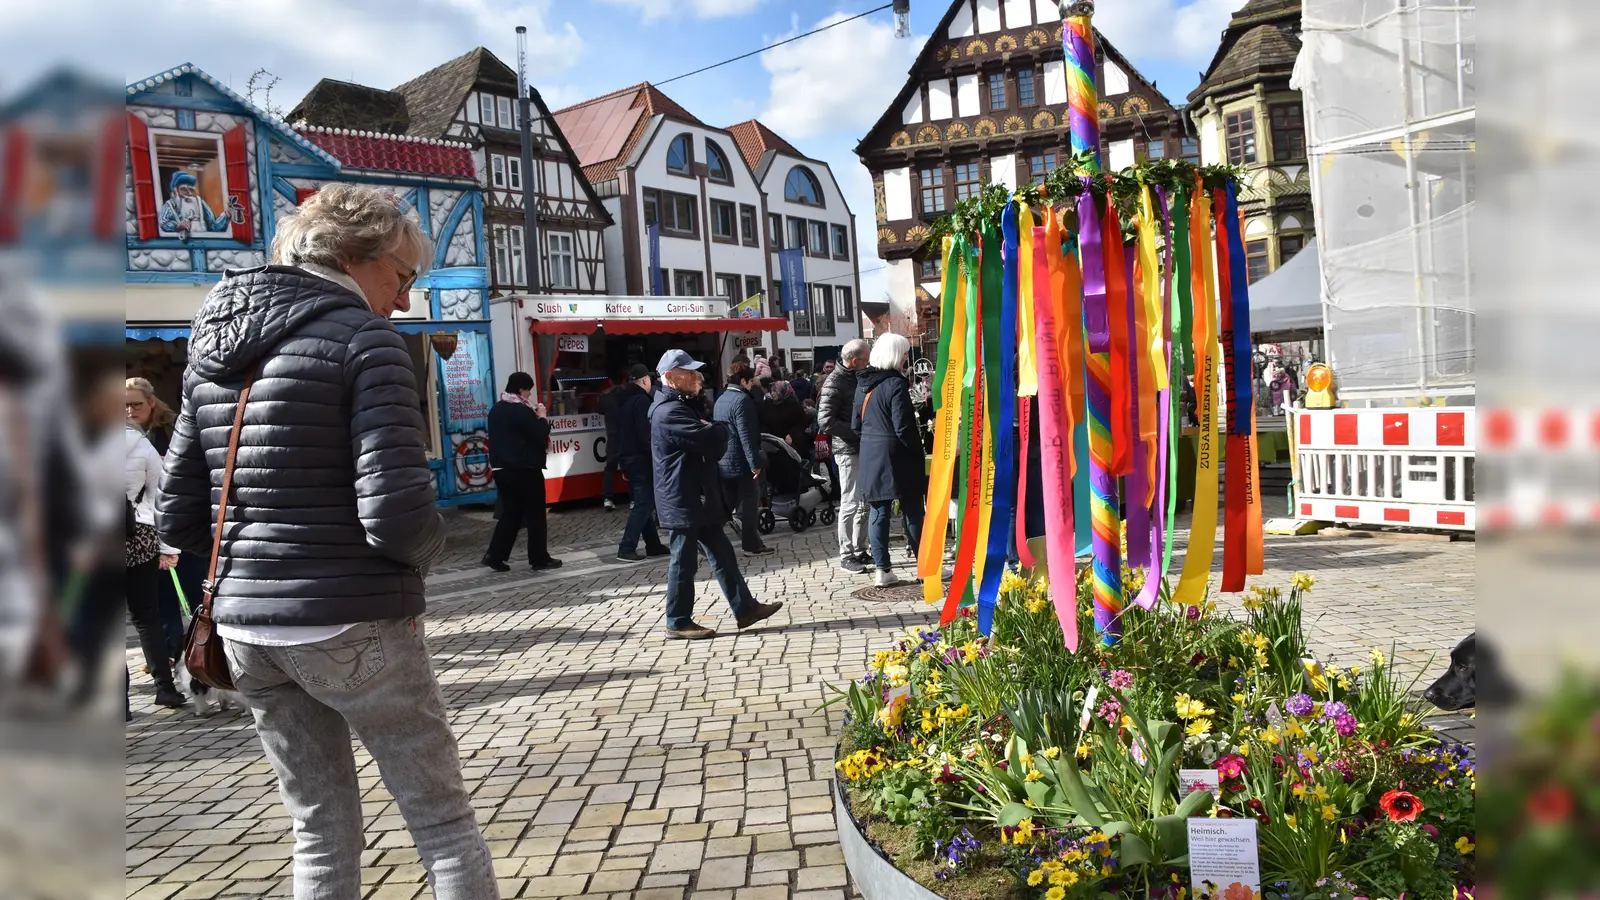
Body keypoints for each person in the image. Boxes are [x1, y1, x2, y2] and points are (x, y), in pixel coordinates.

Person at [155, 183, 499, 899]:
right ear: (355, 256)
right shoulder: (366, 339)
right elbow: (399, 518)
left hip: (245, 630)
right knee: (440, 822)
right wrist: (424, 557)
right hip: (352, 619)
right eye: (402, 277)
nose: (404, 299)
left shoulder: (211, 350)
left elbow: (177, 516)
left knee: (318, 825)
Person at [650, 350, 783, 640]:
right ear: (671, 378)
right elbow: (711, 439)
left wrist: (714, 429)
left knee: (723, 553)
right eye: (690, 373)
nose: (698, 377)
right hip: (682, 497)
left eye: (697, 371)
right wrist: (719, 429)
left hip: (697, 496)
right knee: (683, 560)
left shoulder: (684, 405)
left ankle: (745, 608)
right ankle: (677, 619)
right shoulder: (669, 411)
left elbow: (711, 436)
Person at [126, 377, 203, 663]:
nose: (129, 411)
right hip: (146, 528)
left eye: (136, 404)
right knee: (161, 598)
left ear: (151, 403)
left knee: (195, 591)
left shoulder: (175, 428)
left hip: (183, 520)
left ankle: (203, 653)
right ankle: (171, 652)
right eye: (123, 406)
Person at [852, 333, 927, 587]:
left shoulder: (863, 384)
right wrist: (919, 451)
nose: (907, 357)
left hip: (871, 453)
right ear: (895, 355)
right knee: (913, 510)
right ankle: (924, 567)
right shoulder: (896, 384)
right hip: (897, 455)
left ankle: (882, 570)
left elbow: (855, 424)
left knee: (879, 510)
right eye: (904, 353)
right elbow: (903, 427)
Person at [127, 416, 186, 709]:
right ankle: (165, 688)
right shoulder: (141, 444)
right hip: (138, 536)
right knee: (147, 617)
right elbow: (160, 497)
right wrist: (167, 548)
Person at [483, 372, 563, 572]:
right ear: (521, 390)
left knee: (511, 513)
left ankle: (495, 555)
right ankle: (539, 557)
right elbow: (538, 434)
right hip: (525, 468)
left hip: (501, 469)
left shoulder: (496, 410)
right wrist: (543, 418)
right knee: (536, 514)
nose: (529, 395)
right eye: (528, 390)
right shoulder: (521, 411)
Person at [816, 339, 871, 573]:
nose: (869, 364)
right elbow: (825, 421)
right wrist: (856, 432)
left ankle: (860, 549)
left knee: (864, 502)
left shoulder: (857, 376)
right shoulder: (835, 382)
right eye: (866, 361)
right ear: (855, 361)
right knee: (849, 502)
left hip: (863, 447)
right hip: (848, 450)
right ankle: (846, 554)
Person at [714, 361, 771, 556]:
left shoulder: (721, 398)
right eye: (751, 381)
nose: (752, 385)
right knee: (749, 504)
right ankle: (751, 545)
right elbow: (746, 435)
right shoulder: (742, 401)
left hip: (724, 460)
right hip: (741, 461)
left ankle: (706, 534)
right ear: (743, 380)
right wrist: (754, 464)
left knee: (726, 504)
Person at [613, 364, 668, 561]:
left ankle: (652, 544)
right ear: (645, 380)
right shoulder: (642, 401)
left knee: (643, 501)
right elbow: (646, 435)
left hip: (627, 458)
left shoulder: (622, 401)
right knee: (644, 503)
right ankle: (626, 547)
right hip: (641, 459)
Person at [760, 380, 809, 455]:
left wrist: (792, 434)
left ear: (783, 391)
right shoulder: (768, 404)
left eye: (775, 391)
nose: (772, 393)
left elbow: (802, 423)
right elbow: (764, 421)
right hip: (773, 443)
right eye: (771, 391)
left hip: (791, 444)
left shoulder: (794, 404)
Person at [597, 376, 623, 511]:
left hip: (612, 437)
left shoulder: (606, 398)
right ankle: (634, 500)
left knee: (610, 468)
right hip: (626, 436)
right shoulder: (627, 395)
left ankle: (608, 499)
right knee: (629, 468)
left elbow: (598, 408)